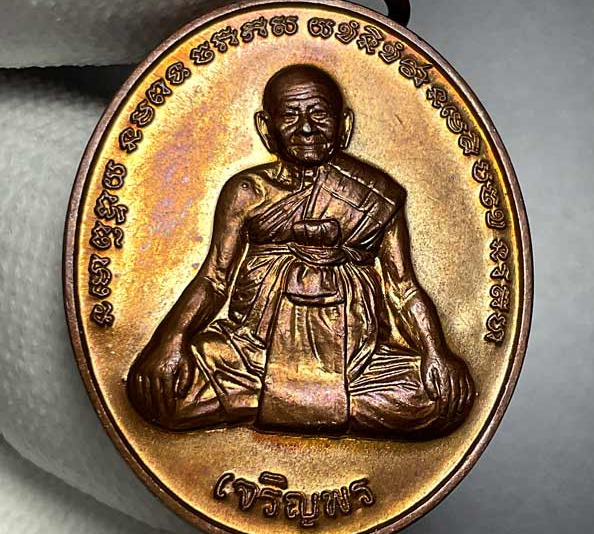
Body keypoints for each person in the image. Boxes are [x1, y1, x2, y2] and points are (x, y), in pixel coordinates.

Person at [128, 64, 474, 437]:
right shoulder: (248, 192)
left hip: (355, 361)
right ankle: (315, 402)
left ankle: (279, 401)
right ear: (266, 127)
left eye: (319, 113)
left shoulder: (376, 195)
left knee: (444, 398)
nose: (306, 128)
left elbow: (402, 288)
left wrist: (436, 351)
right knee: (156, 393)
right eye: (290, 115)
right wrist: (172, 339)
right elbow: (214, 278)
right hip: (252, 354)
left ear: (344, 125)